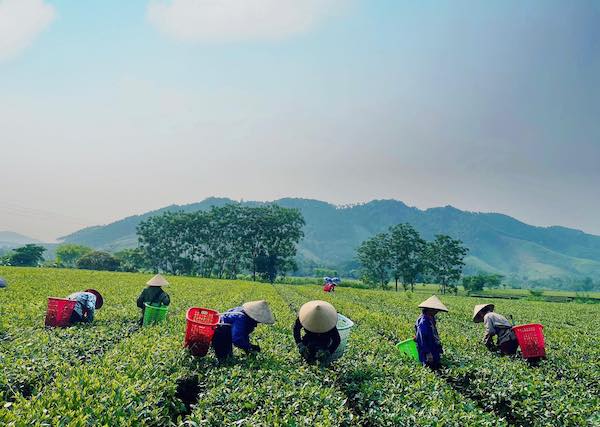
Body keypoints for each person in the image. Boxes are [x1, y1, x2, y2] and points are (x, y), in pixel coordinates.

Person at [294, 300, 340, 366]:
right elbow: (296, 329)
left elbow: (337, 340)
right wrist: (300, 344)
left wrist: (328, 352)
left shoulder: (328, 321)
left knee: (320, 358)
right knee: (307, 355)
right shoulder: (305, 316)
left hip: (324, 341)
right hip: (309, 339)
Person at [414, 295, 448, 370]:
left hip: (434, 348)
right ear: (429, 309)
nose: (437, 312)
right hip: (428, 350)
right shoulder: (423, 321)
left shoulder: (430, 319)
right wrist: (428, 353)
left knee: (437, 367)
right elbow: (422, 338)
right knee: (430, 369)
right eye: (435, 310)